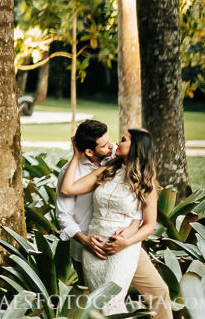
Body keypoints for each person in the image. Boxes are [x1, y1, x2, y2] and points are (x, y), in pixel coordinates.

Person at [58, 126, 171, 319]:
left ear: (136, 148)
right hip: (94, 245)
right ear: (89, 150)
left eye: (123, 140)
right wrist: (76, 155)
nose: (115, 144)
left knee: (122, 300)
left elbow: (149, 225)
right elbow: (67, 189)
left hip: (125, 245)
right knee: (101, 304)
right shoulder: (108, 169)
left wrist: (127, 240)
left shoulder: (146, 182)